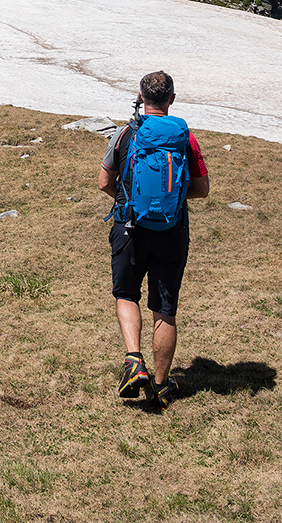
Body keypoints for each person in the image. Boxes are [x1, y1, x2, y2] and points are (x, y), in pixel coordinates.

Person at [98, 70, 210, 408]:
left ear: (141, 98)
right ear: (172, 100)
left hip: (129, 227)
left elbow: (104, 182)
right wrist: (170, 201)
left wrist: (130, 201)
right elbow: (202, 190)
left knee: (126, 294)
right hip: (172, 230)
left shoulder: (125, 134)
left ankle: (135, 361)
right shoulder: (184, 138)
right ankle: (160, 386)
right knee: (165, 308)